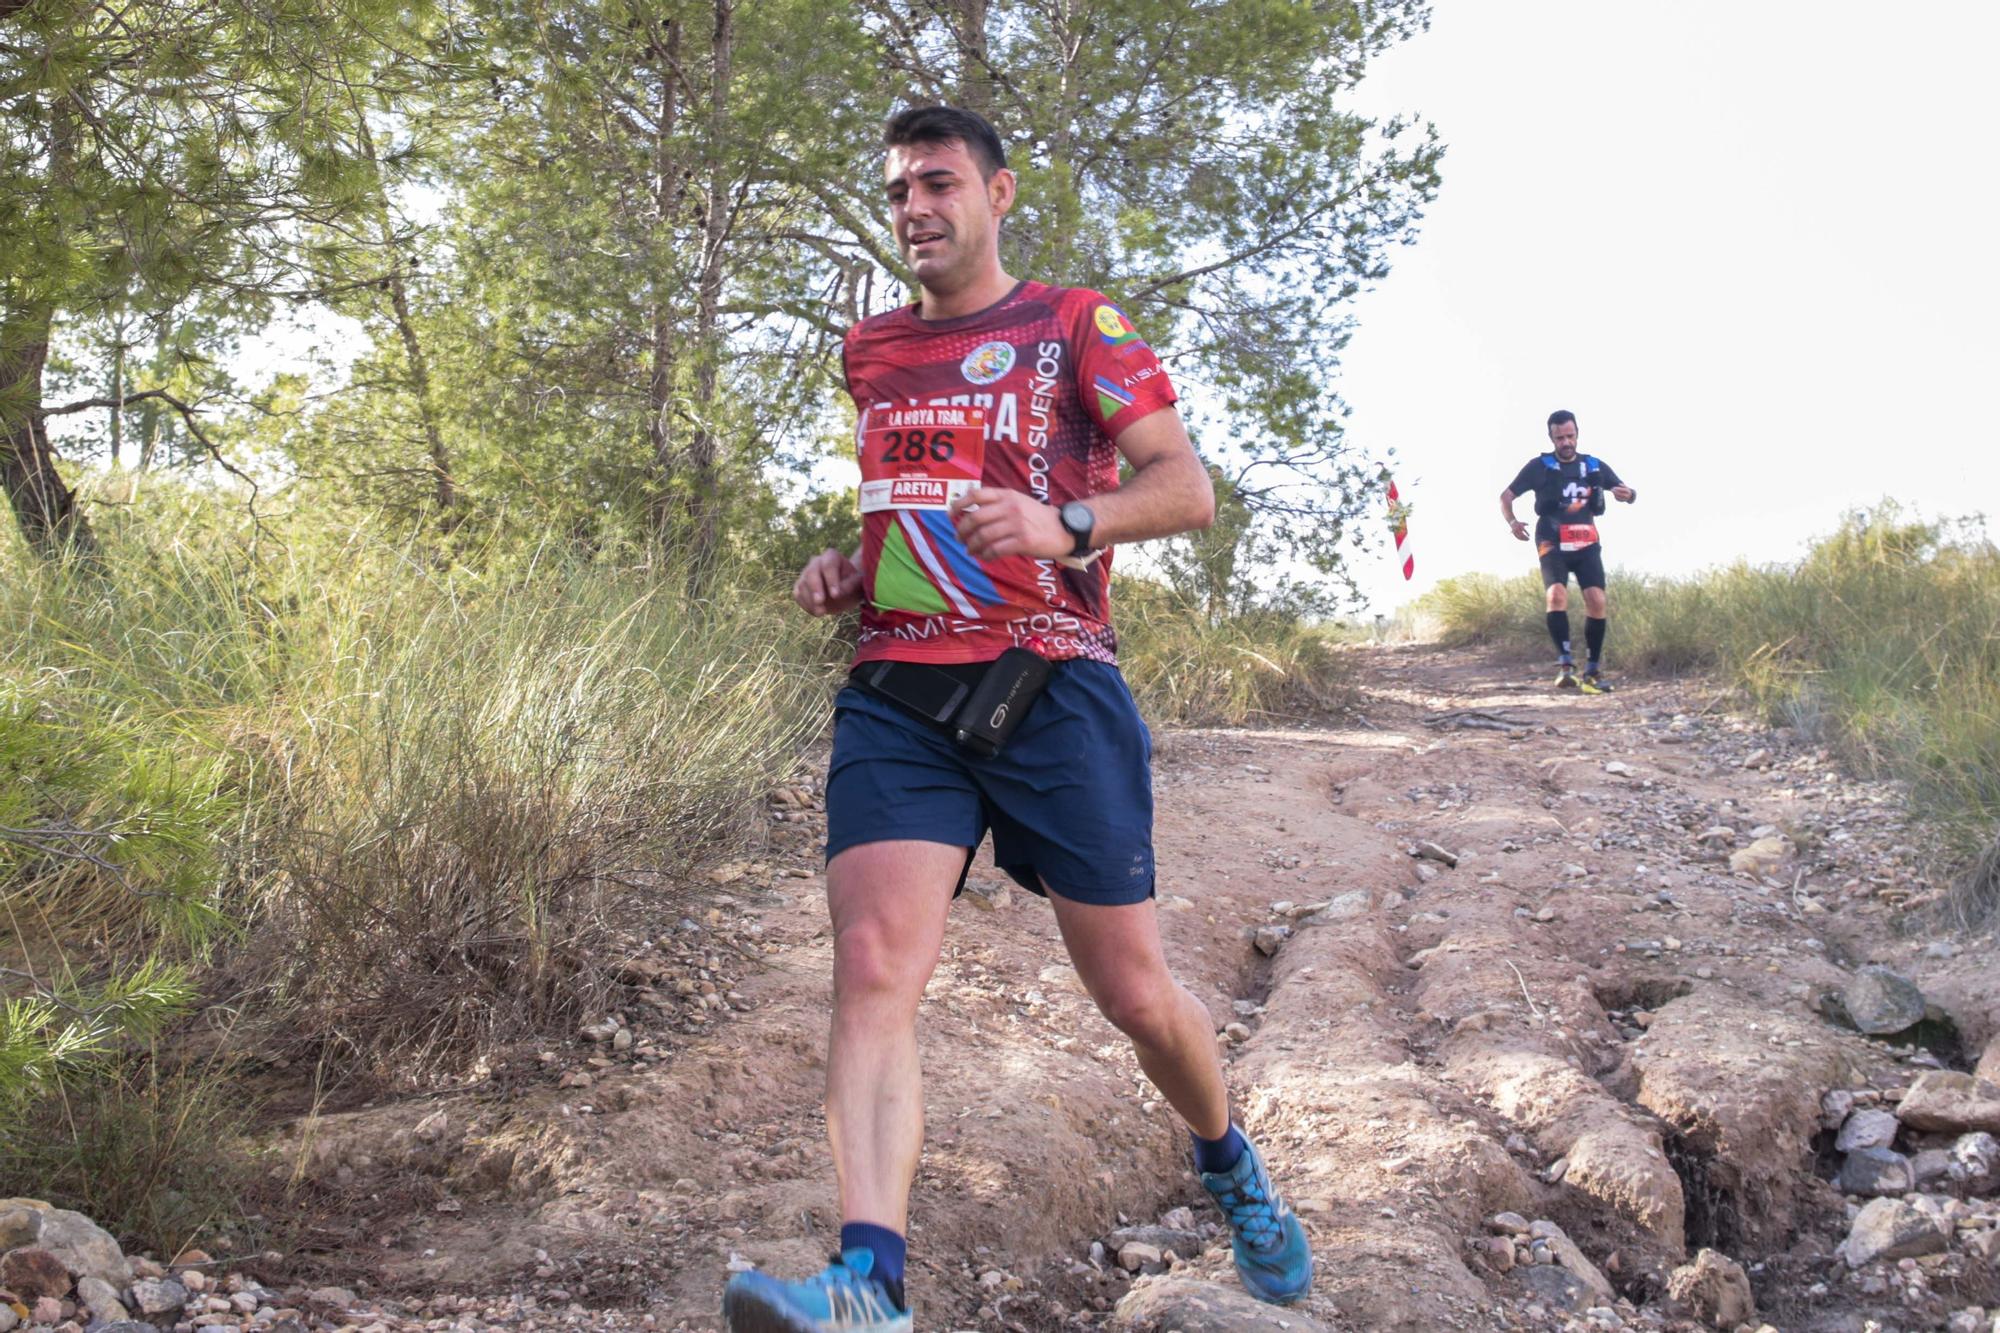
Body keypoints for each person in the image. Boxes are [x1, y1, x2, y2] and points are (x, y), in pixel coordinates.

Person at [721, 105, 1314, 1332]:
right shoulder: (872, 349)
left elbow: (1185, 488)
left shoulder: (1073, 323)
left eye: (937, 184)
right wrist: (848, 567)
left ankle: (1227, 1166)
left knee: (1135, 994)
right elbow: (910, 511)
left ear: (996, 194)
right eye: (896, 193)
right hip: (899, 688)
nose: (914, 209)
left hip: (1053, 690)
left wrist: (1068, 525)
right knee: (873, 964)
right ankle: (868, 1283)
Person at [1500, 410, 1637, 692]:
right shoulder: (1539, 466)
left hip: (1586, 542)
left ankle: (1593, 670)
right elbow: (1506, 496)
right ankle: (1565, 666)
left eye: (1570, 436)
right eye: (1560, 437)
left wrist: (1629, 495)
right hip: (1552, 542)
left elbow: (1626, 491)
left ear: (1577, 434)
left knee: (1597, 600)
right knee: (1556, 594)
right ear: (1551, 437)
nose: (1566, 442)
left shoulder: (1594, 466)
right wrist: (1513, 522)